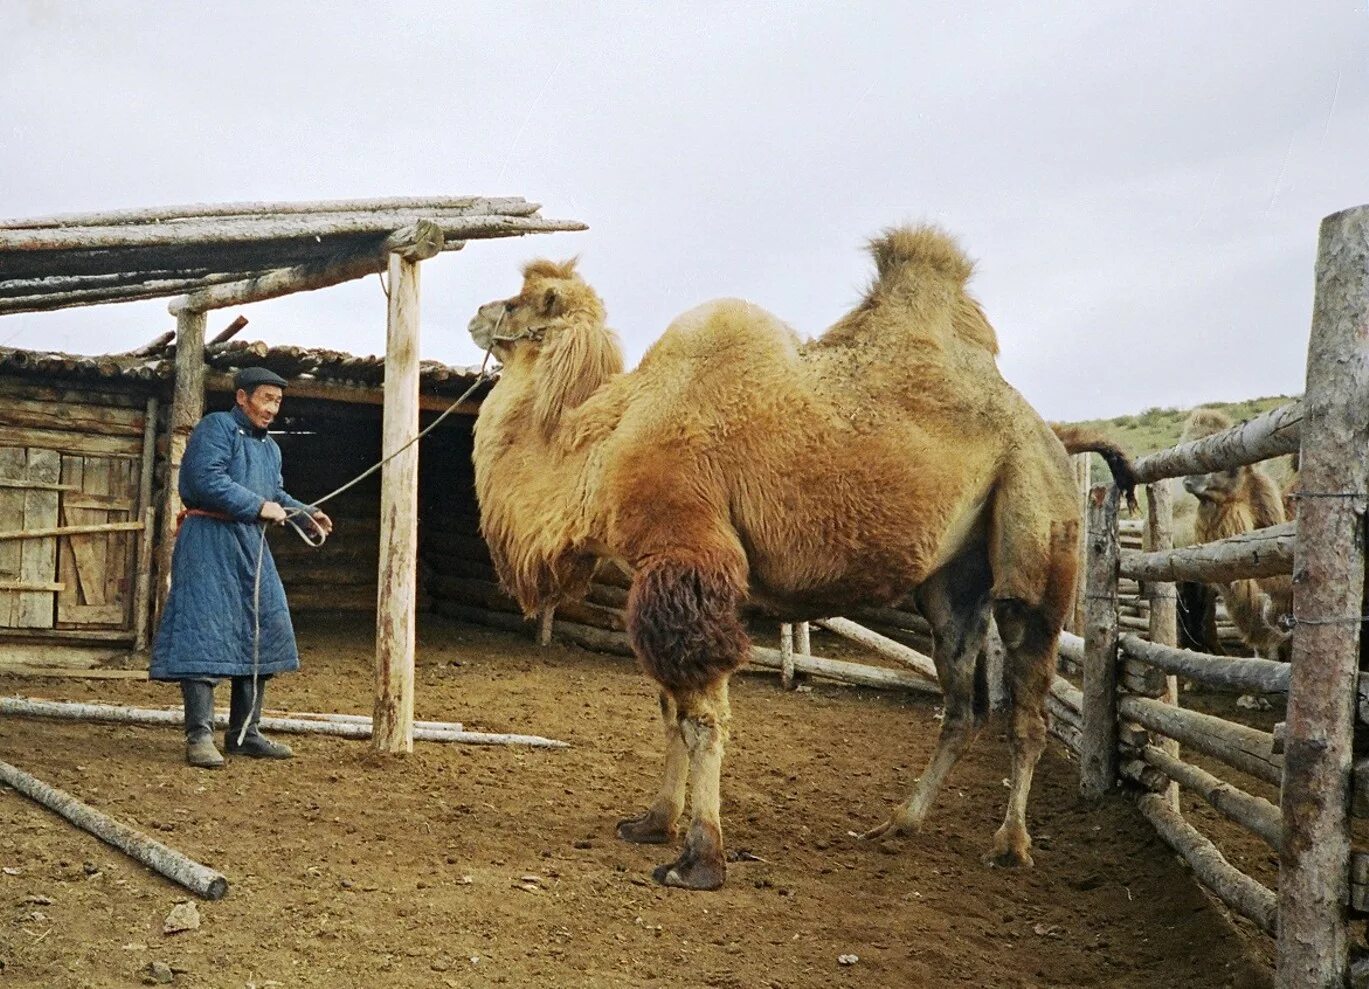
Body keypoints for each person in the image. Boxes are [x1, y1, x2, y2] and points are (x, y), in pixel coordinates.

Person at [150, 366, 333, 768]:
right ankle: (199, 736)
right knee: (205, 629)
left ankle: (245, 732)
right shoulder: (216, 428)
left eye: (278, 402)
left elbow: (274, 493)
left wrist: (304, 515)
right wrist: (255, 507)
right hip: (209, 543)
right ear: (242, 398)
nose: (272, 409)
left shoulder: (270, 448)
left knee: (264, 627)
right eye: (266, 399)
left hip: (250, 546)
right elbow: (204, 480)